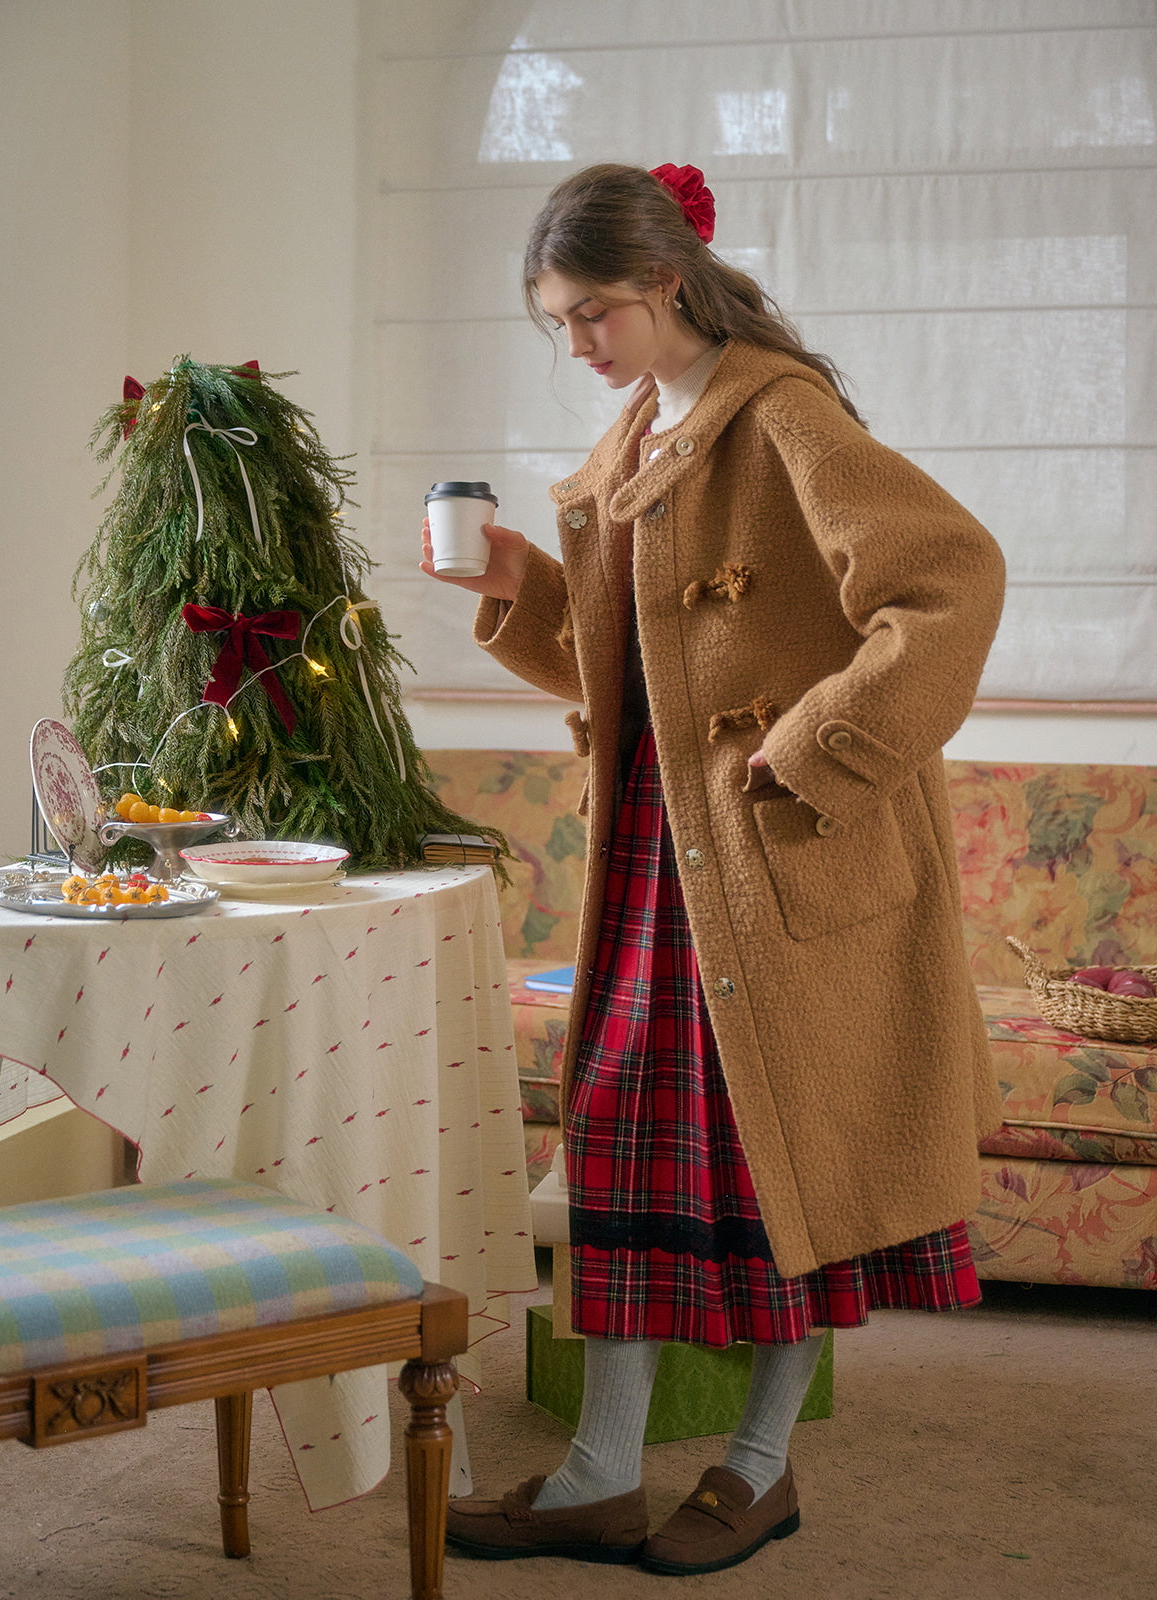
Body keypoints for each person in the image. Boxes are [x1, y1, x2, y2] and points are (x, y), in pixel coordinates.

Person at [420, 162, 1006, 1577]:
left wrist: (815, 744)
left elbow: (954, 580)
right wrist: (513, 581)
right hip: (656, 859)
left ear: (664, 284)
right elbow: (633, 674)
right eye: (555, 321)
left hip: (778, 856)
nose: (576, 346)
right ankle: (600, 1474)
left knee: (772, 1171)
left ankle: (756, 1468)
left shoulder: (782, 415)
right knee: (622, 1148)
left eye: (592, 313)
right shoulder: (637, 439)